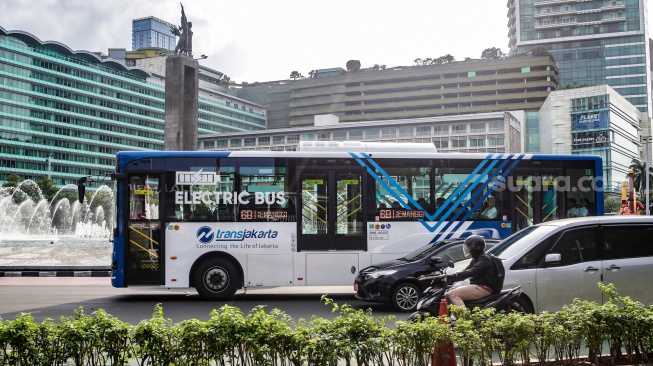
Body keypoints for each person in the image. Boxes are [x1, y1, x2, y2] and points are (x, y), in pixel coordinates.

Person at [442, 235, 502, 307]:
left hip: (483, 288)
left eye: (469, 246)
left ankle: (464, 318)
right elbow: (465, 271)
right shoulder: (476, 259)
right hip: (477, 286)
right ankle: (454, 317)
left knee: (453, 294)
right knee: (447, 294)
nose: (467, 249)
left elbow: (471, 272)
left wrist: (452, 277)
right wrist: (450, 277)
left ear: (476, 247)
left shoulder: (484, 259)